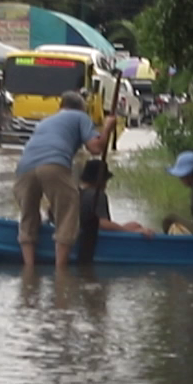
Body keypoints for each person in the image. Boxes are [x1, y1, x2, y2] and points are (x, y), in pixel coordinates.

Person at [14, 91, 117, 269]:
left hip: (24, 168)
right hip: (54, 163)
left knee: (28, 216)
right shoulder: (80, 116)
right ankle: (61, 271)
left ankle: (29, 270)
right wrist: (107, 127)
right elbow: (95, 148)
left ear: (61, 107)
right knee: (68, 211)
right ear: (81, 107)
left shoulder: (45, 122)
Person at [79, 158, 152, 237]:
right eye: (105, 180)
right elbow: (102, 223)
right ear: (101, 180)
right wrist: (130, 232)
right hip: (93, 239)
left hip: (80, 235)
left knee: (134, 225)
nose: (106, 185)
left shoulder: (77, 193)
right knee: (135, 227)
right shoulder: (97, 194)